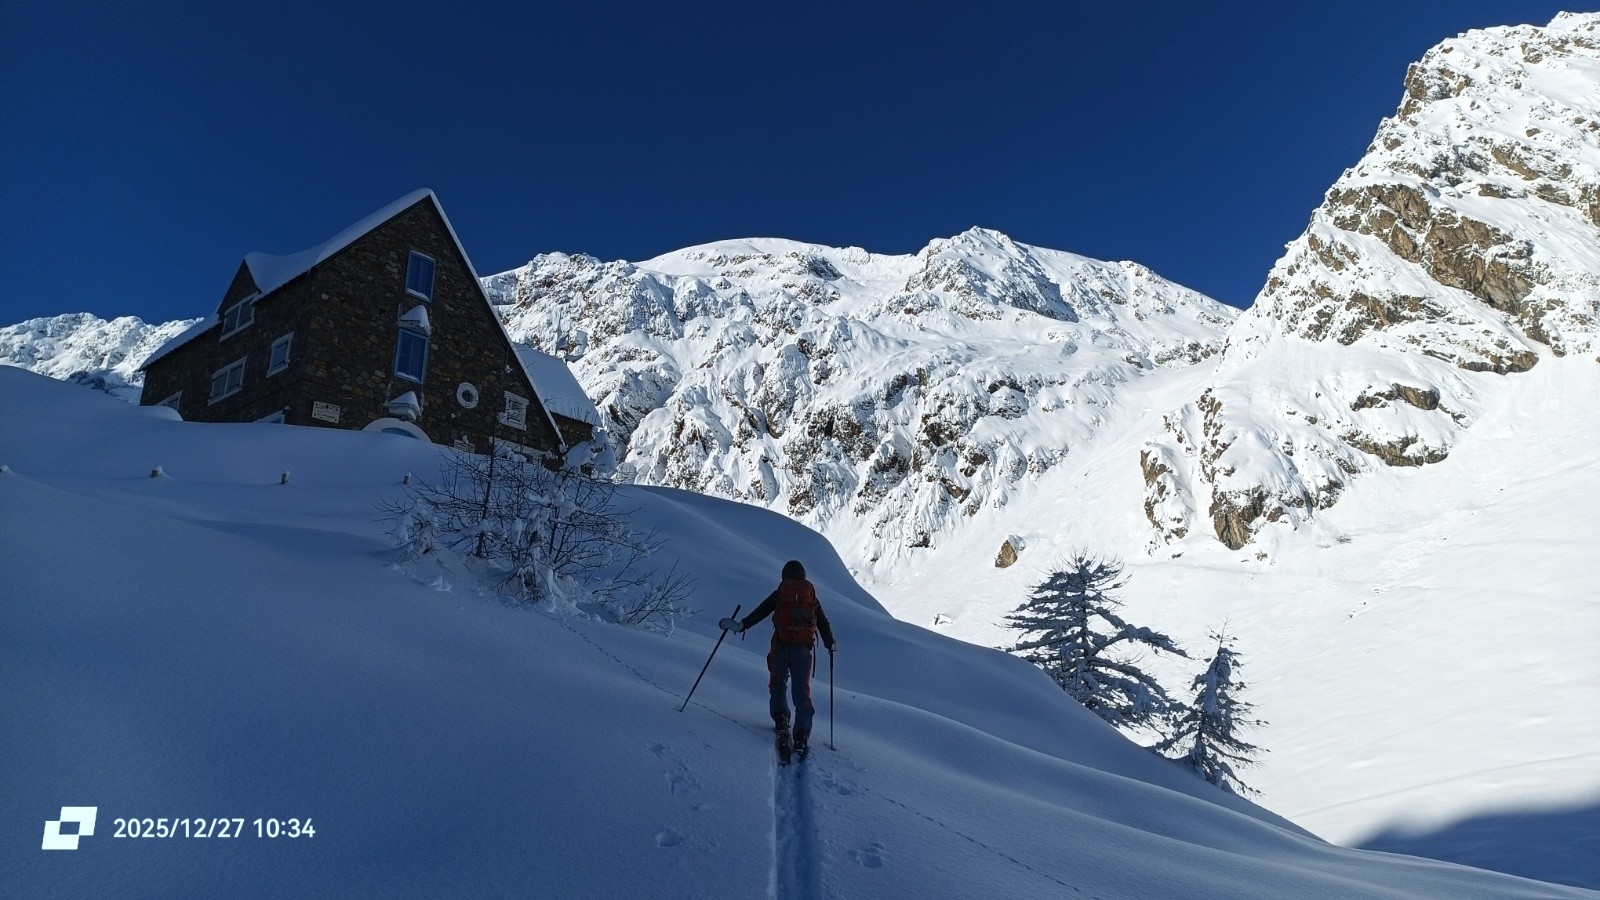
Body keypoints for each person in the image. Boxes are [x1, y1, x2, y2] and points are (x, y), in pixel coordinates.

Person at [720, 559, 836, 756]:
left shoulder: (780, 594)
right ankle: (801, 734)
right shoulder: (811, 597)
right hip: (803, 651)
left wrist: (741, 626)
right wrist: (830, 643)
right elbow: (823, 622)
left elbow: (761, 611)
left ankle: (781, 720)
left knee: (778, 684)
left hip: (780, 648)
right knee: (802, 693)